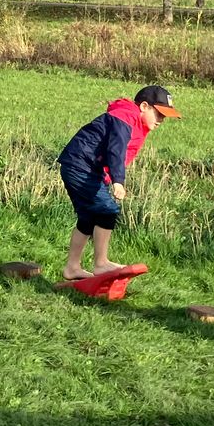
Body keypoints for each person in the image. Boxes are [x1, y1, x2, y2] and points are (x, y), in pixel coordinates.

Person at [57, 86, 180, 280]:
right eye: (159, 114)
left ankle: (72, 267)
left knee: (88, 217)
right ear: (144, 106)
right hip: (81, 166)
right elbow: (116, 151)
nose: (161, 120)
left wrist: (107, 177)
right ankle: (101, 263)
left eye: (164, 116)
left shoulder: (132, 121)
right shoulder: (126, 118)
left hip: (81, 166)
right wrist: (118, 182)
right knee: (107, 210)